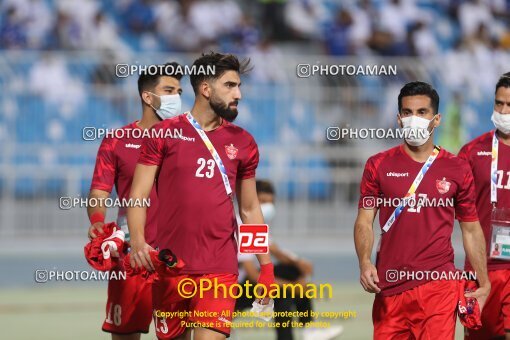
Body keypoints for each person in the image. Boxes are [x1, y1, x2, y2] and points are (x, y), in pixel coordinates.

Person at [128, 52, 275, 340]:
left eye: (239, 86)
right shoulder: (163, 134)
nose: (239, 94)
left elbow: (249, 209)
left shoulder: (244, 143)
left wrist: (266, 265)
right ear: (206, 89)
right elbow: (138, 195)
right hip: (170, 267)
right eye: (230, 86)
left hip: (219, 269)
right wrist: (137, 242)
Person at [354, 81, 490, 339]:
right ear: (398, 118)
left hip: (439, 286)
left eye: (422, 112)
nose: (413, 119)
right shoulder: (377, 165)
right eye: (407, 113)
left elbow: (471, 229)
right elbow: (364, 220)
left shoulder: (458, 168)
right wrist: (364, 262)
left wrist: (483, 282)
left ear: (436, 119)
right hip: (389, 286)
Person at [87, 62, 183, 340]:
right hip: (130, 254)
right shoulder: (116, 141)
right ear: (148, 97)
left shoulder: (189, 140)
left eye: (178, 91)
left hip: (178, 255)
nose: (176, 97)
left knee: (177, 337)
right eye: (168, 90)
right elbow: (99, 192)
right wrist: (97, 222)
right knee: (126, 335)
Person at [235, 179, 343, 340]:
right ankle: (306, 330)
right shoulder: (242, 225)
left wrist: (299, 262)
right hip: (234, 291)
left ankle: (309, 330)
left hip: (248, 283)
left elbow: (276, 251)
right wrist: (292, 287)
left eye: (271, 202)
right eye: (263, 202)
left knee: (292, 270)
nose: (268, 207)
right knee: (283, 292)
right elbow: (250, 273)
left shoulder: (258, 224)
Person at [458, 72, 510, 340]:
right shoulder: (471, 152)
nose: (503, 111)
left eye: (509, 106)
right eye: (498, 104)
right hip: (480, 270)